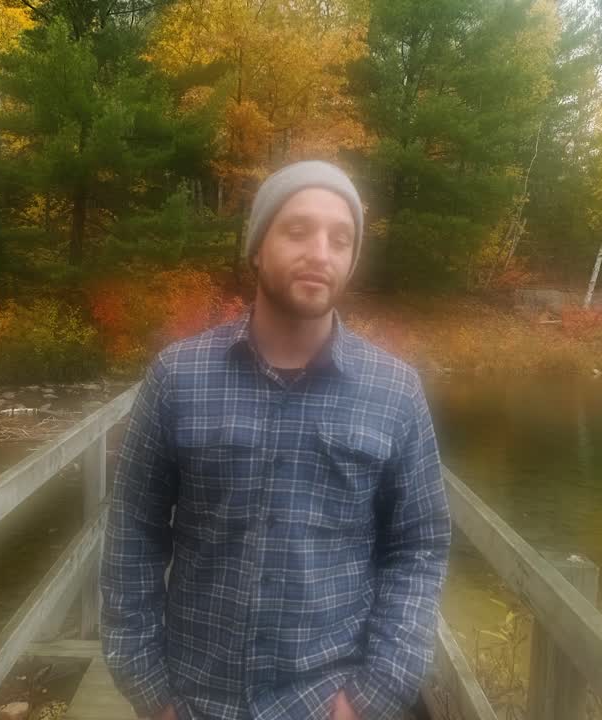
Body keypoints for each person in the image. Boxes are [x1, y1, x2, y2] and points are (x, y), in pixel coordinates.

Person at [100, 160, 451, 720]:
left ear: (353, 261)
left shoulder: (395, 391)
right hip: (193, 700)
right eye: (297, 230)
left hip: (325, 703)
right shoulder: (178, 376)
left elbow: (418, 548)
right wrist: (148, 686)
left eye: (341, 239)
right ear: (257, 248)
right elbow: (133, 533)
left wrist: (376, 692)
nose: (320, 251)